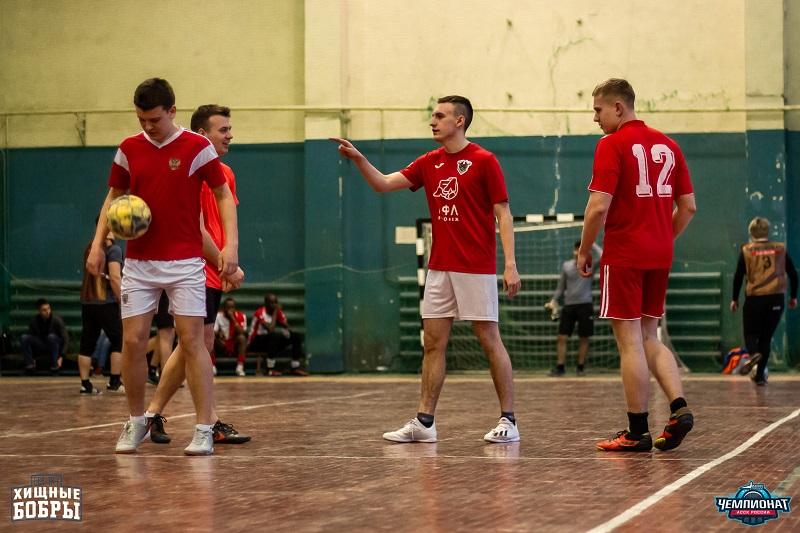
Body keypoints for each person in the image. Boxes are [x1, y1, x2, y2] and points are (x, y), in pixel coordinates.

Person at [332, 95, 522, 443]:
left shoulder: (484, 160)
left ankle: (508, 421)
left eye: (439, 115)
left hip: (476, 268)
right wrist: (359, 159)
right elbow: (383, 184)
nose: (432, 121)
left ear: (459, 121)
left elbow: (503, 213)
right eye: (433, 116)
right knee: (433, 343)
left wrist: (510, 264)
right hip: (439, 268)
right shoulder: (428, 162)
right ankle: (424, 422)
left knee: (489, 340)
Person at [86, 79, 239, 456]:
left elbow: (222, 194)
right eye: (141, 119)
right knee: (133, 341)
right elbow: (114, 196)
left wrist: (230, 247)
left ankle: (203, 428)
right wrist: (98, 245)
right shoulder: (128, 149)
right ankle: (136, 420)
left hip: (185, 262)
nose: (148, 126)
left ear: (172, 111)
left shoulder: (197, 147)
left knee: (192, 341)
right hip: (139, 263)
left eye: (154, 119)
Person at [577, 78, 697, 452]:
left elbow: (598, 207)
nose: (595, 118)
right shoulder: (669, 145)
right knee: (649, 336)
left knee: (629, 342)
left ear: (618, 107)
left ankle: (636, 431)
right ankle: (679, 408)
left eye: (598, 110)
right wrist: (662, 237)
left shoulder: (611, 145)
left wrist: (584, 250)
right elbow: (689, 207)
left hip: (625, 255)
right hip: (660, 255)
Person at [144, 104, 249, 446]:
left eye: (230, 129)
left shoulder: (226, 173)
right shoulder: (189, 172)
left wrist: (227, 261)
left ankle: (153, 415)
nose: (230, 135)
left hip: (214, 269)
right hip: (194, 268)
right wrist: (223, 262)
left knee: (196, 345)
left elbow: (221, 224)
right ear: (202, 134)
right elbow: (196, 228)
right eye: (223, 130)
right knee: (195, 345)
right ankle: (208, 421)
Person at [730, 217, 798, 385]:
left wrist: (734, 298)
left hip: (755, 298)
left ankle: (754, 354)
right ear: (767, 231)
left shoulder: (746, 250)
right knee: (766, 338)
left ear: (751, 232)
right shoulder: (780, 249)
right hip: (776, 298)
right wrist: (793, 296)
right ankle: (760, 375)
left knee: (750, 334)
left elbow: (738, 276)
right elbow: (793, 273)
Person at [77, 230, 124, 394]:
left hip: (88, 302)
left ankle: (85, 384)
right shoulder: (113, 249)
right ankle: (114, 382)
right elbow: (115, 277)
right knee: (119, 341)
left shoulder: (89, 247)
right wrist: (123, 299)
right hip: (106, 302)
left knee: (87, 343)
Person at [547, 240, 602, 377]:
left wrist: (591, 242)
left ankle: (580, 367)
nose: (577, 252)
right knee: (562, 337)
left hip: (585, 305)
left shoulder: (589, 265)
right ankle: (560, 367)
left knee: (584, 337)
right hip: (569, 306)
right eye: (576, 249)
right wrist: (553, 300)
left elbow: (602, 256)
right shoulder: (566, 266)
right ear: (574, 251)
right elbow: (561, 287)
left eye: (581, 250)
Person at [248, 293, 308, 376]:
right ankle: (270, 369)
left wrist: (288, 330)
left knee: (295, 336)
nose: (275, 305)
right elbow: (271, 329)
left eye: (276, 302)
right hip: (255, 342)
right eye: (272, 303)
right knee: (274, 335)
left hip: (270, 342)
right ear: (266, 304)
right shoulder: (260, 312)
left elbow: (287, 326)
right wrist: (276, 312)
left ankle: (295, 367)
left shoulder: (278, 312)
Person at [21, 298, 69, 374]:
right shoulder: (34, 321)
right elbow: (31, 337)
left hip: (55, 345)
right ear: (39, 311)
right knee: (24, 338)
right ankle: (30, 364)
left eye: (49, 308)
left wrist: (61, 356)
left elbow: (66, 338)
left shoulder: (56, 320)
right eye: (44, 310)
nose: (47, 312)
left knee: (51, 337)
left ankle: (55, 365)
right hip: (42, 343)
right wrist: (33, 357)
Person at [214, 297, 248, 376]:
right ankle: (212, 366)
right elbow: (214, 331)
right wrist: (218, 334)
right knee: (211, 338)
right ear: (223, 308)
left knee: (242, 338)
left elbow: (242, 332)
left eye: (232, 307)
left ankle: (240, 367)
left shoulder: (241, 316)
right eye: (228, 307)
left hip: (234, 344)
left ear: (235, 308)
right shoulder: (218, 316)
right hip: (222, 344)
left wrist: (233, 318)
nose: (230, 309)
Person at [148, 292, 176, 384]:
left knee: (164, 334)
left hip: (161, 292)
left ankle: (153, 369)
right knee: (167, 333)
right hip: (162, 290)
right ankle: (166, 379)